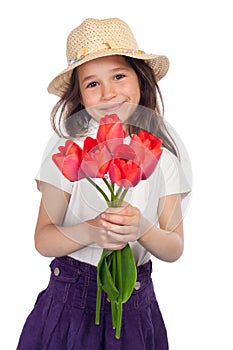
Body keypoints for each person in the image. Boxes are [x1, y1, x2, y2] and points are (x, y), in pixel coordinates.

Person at [17, 17, 191, 350]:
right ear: (80, 96)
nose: (109, 92)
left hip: (137, 310)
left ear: (140, 80)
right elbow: (43, 239)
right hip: (69, 301)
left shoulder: (162, 158)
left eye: (119, 76)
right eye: (92, 83)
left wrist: (141, 228)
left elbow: (174, 248)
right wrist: (92, 231)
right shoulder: (69, 150)